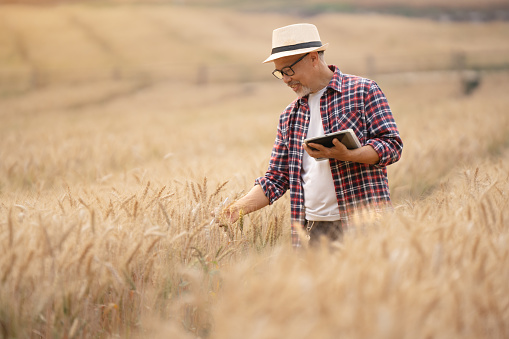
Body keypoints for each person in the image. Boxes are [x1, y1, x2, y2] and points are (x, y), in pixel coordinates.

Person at [220, 23, 403, 247]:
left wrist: (350, 155)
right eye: (280, 73)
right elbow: (277, 177)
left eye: (289, 70)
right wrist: (235, 210)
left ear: (313, 58)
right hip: (313, 232)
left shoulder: (363, 90)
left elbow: (392, 146)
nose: (286, 79)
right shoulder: (289, 115)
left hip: (366, 225)